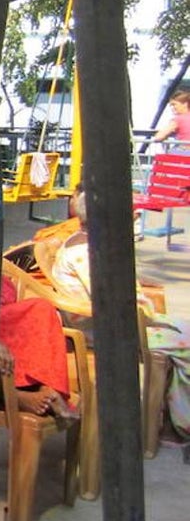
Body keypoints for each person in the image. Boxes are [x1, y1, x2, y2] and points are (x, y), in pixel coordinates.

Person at [51, 187, 190, 438]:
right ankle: (179, 422)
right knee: (186, 341)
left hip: (107, 322)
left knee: (183, 332)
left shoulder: (91, 243)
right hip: (97, 329)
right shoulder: (86, 252)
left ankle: (174, 417)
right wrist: (145, 306)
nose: (135, 219)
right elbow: (111, 299)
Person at [0, 228, 73, 417]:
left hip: (1, 347)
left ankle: (47, 390)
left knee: (41, 308)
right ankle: (13, 396)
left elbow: (11, 324)